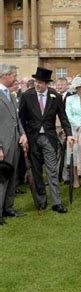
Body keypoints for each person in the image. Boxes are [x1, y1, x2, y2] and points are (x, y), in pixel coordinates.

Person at [19, 67, 74, 214]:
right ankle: (41, 200)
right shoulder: (26, 96)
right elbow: (21, 120)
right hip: (32, 139)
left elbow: (63, 117)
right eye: (36, 81)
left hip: (49, 138)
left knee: (52, 171)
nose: (37, 84)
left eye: (41, 82)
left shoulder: (55, 96)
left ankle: (57, 203)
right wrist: (23, 135)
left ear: (47, 84)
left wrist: (69, 134)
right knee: (37, 172)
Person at [0, 64, 28, 224]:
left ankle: (8, 207)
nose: (16, 78)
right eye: (14, 75)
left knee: (12, 176)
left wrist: (23, 134)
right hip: (3, 143)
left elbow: (16, 119)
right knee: (2, 177)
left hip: (15, 142)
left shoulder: (10, 95)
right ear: (5, 75)